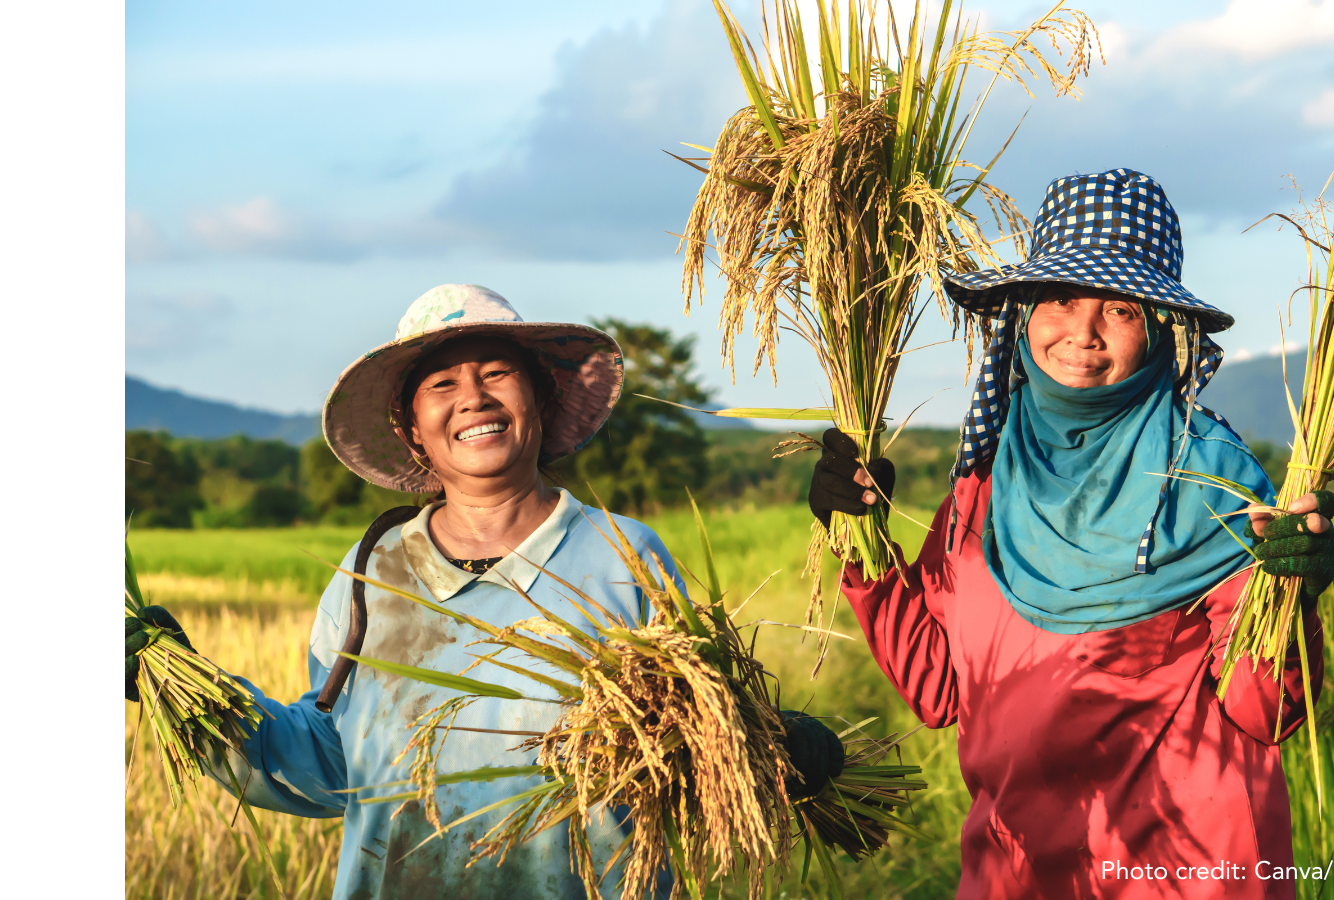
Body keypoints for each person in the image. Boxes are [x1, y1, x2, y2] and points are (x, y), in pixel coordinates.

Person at [124, 285, 840, 899]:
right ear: (412, 430)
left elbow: (685, 741)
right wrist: (191, 696)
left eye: (497, 373)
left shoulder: (625, 558)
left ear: (540, 397)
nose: (472, 397)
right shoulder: (371, 571)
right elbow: (330, 761)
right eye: (441, 385)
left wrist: (763, 746)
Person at [808, 170, 1334, 900]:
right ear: (1023, 314)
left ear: (1157, 329)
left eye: (1119, 307)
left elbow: (1264, 710)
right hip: (1015, 869)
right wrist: (860, 539)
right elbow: (939, 687)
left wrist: (1292, 597)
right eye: (1060, 298)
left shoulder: (1212, 483)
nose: (1081, 332)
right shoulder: (985, 487)